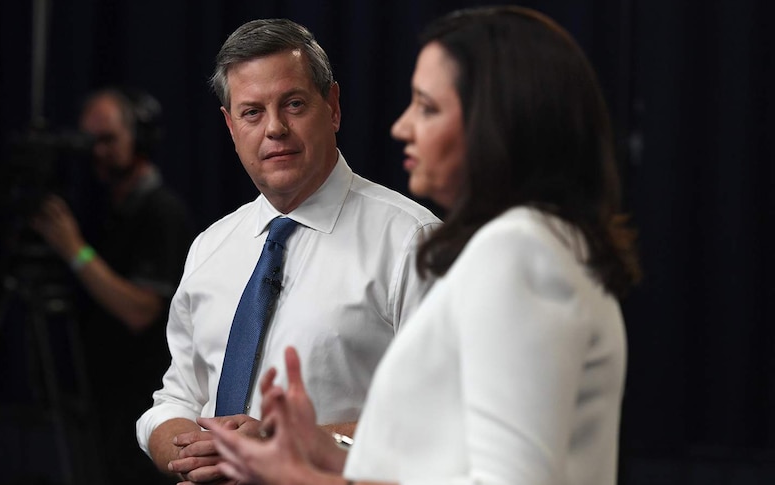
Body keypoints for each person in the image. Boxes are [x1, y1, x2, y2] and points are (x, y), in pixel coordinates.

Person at [200, 6, 642, 485]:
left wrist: (299, 479)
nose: (402, 127)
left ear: (494, 121)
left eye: (427, 107)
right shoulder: (539, 242)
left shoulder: (519, 251)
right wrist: (324, 452)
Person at [135, 18, 441, 484]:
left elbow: (443, 417)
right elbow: (177, 398)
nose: (274, 128)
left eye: (293, 104)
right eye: (252, 112)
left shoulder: (411, 240)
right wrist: (188, 452)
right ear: (230, 125)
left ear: (333, 107)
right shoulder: (210, 247)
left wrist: (289, 447)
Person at [30, 87, 195, 485]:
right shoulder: (107, 210)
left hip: (142, 402)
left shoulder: (162, 213)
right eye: (90, 141)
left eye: (108, 139)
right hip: (102, 401)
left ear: (139, 137)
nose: (97, 152)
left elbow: (140, 311)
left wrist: (75, 251)